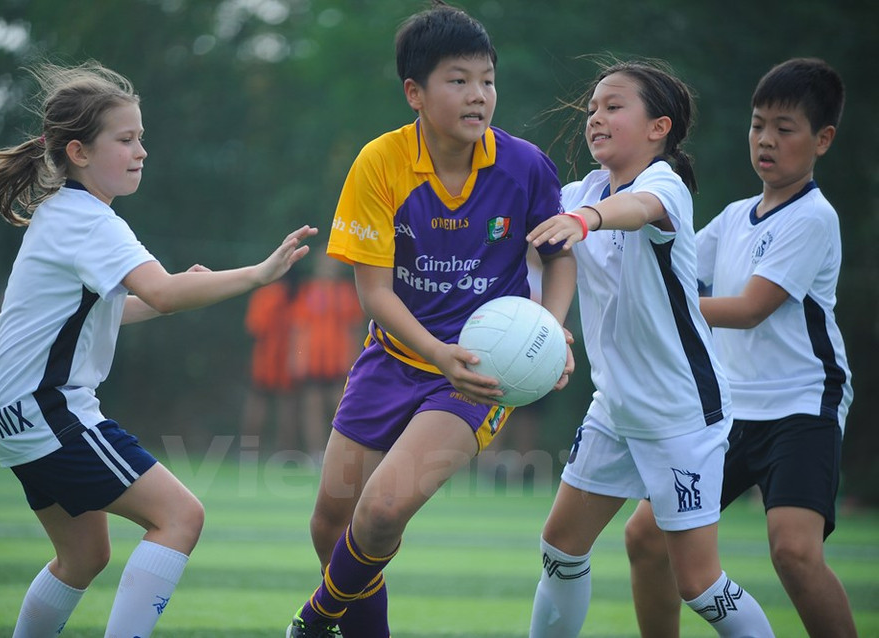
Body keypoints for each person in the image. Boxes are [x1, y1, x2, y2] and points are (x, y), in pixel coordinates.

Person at [0, 60, 317, 638]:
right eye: (125, 140)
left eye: (141, 138)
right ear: (77, 151)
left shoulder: (61, 213)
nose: (140, 150)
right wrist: (256, 273)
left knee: (84, 557)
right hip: (48, 407)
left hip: (9, 410)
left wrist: (176, 289)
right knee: (180, 517)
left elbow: (107, 310)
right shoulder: (91, 221)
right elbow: (166, 294)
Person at [285, 2, 575, 636]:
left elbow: (559, 259)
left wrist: (549, 332)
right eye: (459, 79)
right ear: (414, 92)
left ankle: (313, 621)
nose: (479, 95)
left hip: (474, 376)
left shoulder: (524, 166)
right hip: (391, 360)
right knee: (330, 524)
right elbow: (375, 295)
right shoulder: (379, 163)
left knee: (383, 509)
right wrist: (434, 351)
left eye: (488, 80)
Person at [525, 59, 774, 637]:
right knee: (561, 549)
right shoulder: (580, 191)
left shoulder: (663, 184)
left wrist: (584, 220)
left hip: (681, 412)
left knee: (700, 586)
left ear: (658, 127)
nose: (596, 118)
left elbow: (635, 211)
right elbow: (534, 243)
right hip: (615, 407)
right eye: (592, 110)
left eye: (614, 107)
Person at [624, 57, 856, 638]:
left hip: (801, 407)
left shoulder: (814, 218)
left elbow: (750, 309)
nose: (766, 141)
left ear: (822, 139)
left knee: (794, 554)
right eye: (758, 126)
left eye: (785, 128)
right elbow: (670, 274)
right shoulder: (731, 219)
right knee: (645, 538)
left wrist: (661, 314)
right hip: (727, 412)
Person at [288, 254, 365, 463]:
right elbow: (298, 327)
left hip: (338, 360)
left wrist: (355, 358)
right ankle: (316, 455)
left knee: (341, 405)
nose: (328, 267)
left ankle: (345, 453)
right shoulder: (308, 291)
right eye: (324, 262)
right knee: (312, 406)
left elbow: (355, 328)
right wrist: (296, 358)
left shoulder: (347, 292)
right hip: (313, 361)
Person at [242, 276, 301, 457]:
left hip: (273, 356)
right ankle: (280, 452)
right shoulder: (294, 295)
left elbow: (254, 327)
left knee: (272, 403)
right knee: (280, 404)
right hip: (277, 356)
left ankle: (251, 452)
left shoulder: (265, 294)